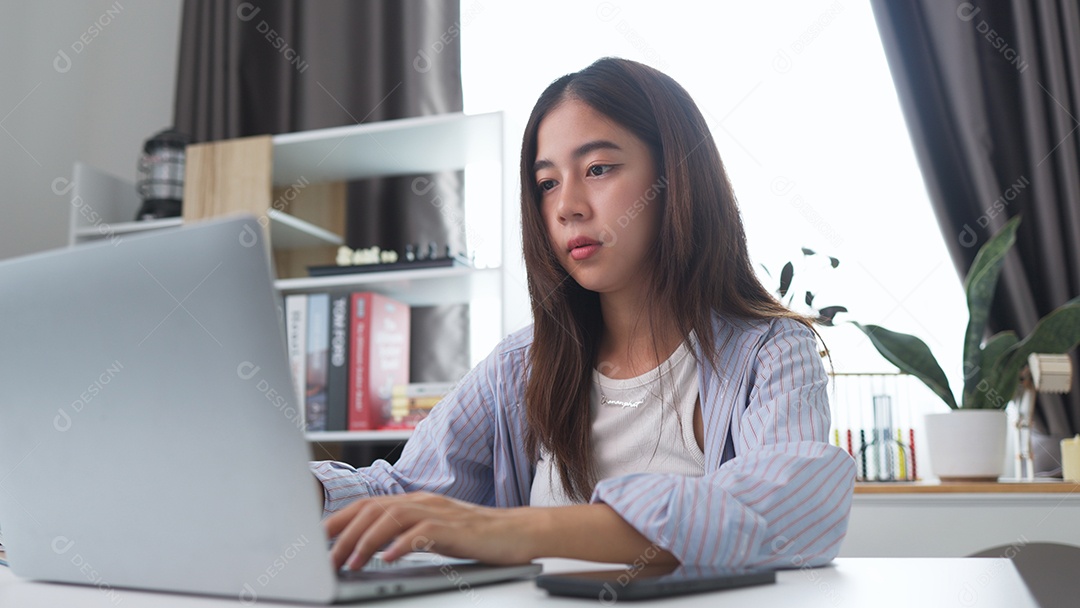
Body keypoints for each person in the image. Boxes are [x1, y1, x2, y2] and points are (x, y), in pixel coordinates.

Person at [313, 57, 856, 572]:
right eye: (547, 183)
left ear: (676, 179)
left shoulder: (769, 350)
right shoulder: (519, 367)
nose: (566, 205)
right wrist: (296, 487)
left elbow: (788, 511)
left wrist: (518, 532)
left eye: (597, 168)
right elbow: (407, 494)